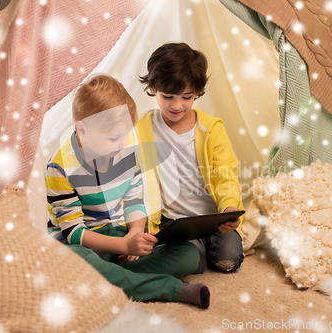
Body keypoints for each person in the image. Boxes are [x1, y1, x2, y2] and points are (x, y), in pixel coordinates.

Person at [45, 74, 209, 308]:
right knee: (75, 259)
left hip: (118, 233)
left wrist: (134, 234)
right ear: (81, 130)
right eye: (114, 138)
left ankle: (111, 277)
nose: (123, 143)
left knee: (188, 254)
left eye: (126, 134)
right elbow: (74, 233)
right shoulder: (59, 168)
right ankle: (167, 288)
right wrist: (124, 246)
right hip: (84, 244)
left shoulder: (125, 151)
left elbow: (134, 201)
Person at [135, 43, 245, 273]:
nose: (177, 105)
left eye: (187, 97)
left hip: (213, 221)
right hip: (172, 221)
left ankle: (201, 248)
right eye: (169, 96)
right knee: (190, 258)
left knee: (228, 260)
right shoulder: (141, 127)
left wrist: (229, 209)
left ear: (197, 92)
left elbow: (227, 177)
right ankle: (193, 250)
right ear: (153, 88)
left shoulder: (211, 129)